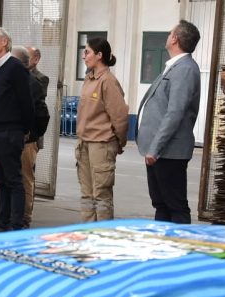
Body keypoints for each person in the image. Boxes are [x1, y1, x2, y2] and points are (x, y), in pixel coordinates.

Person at [136, 20, 201, 224]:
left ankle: (182, 250)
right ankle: (163, 246)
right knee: (161, 204)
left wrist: (155, 148)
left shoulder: (185, 69)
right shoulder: (174, 67)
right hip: (160, 151)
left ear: (175, 38)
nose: (168, 35)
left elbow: (175, 112)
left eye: (170, 32)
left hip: (169, 152)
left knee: (175, 206)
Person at [0, 28, 34, 232]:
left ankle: (15, 224)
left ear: (4, 42)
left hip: (9, 131)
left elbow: (26, 101)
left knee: (13, 180)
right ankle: (2, 222)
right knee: (1, 181)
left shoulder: (15, 68)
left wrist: (25, 129)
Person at [75, 37, 128, 221]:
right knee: (87, 195)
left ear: (99, 55)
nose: (84, 56)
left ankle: (102, 238)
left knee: (101, 195)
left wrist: (118, 143)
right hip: (85, 144)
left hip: (101, 145)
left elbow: (120, 116)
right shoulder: (89, 79)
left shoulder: (108, 81)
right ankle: (87, 235)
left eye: (87, 52)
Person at [23, 46, 50, 228]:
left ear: (36, 59)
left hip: (31, 135)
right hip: (17, 133)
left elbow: (35, 102)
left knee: (26, 176)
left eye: (27, 56)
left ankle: (26, 215)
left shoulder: (40, 79)